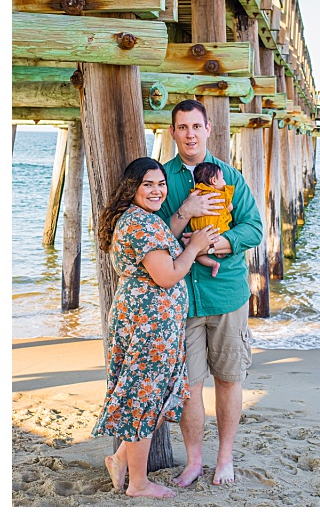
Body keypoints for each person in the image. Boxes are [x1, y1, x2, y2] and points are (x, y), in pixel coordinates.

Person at [92, 157, 217, 498]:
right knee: (145, 398)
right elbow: (167, 275)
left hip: (153, 323)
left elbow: (162, 259)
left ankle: (120, 460)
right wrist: (193, 248)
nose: (157, 190)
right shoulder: (141, 224)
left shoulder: (140, 219)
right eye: (148, 184)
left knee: (161, 395)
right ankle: (138, 483)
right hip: (149, 324)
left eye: (161, 183)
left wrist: (188, 242)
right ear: (132, 187)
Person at [156, 99, 264, 486]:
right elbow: (152, 236)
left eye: (195, 127)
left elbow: (254, 227)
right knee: (189, 386)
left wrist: (220, 244)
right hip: (180, 299)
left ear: (208, 129)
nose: (189, 134)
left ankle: (224, 460)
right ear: (173, 132)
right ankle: (193, 461)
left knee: (230, 379)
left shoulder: (229, 176)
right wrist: (184, 212)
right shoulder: (161, 179)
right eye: (182, 127)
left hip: (227, 294)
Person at [189, 162, 235, 278]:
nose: (224, 182)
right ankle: (219, 252)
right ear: (214, 181)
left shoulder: (195, 193)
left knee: (196, 254)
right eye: (222, 178)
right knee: (223, 234)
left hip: (198, 233)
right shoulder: (221, 194)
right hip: (216, 231)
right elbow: (229, 207)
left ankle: (213, 264)